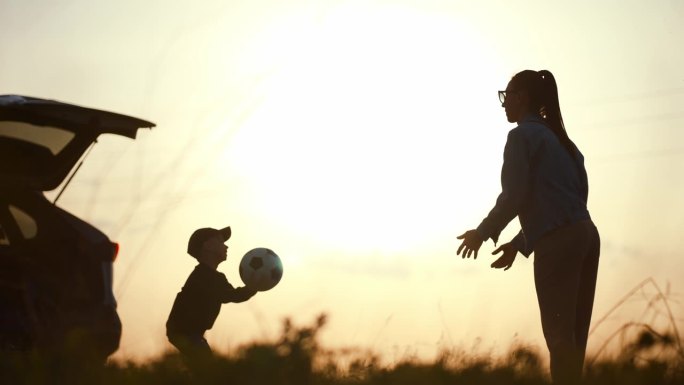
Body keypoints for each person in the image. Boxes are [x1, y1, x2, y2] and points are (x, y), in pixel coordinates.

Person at [456, 70, 600, 385]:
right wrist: (520, 243)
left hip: (558, 242)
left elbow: (514, 197)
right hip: (587, 235)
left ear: (522, 98)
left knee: (560, 339)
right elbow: (568, 205)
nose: (504, 104)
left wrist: (482, 233)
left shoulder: (521, 136)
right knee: (576, 340)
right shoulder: (566, 143)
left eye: (506, 96)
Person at [166, 226, 257, 373]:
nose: (226, 245)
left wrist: (252, 287)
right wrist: (255, 285)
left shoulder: (213, 277)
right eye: (220, 241)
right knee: (208, 370)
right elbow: (233, 295)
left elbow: (232, 294)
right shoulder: (203, 276)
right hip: (185, 333)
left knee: (202, 370)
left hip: (189, 334)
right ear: (207, 246)